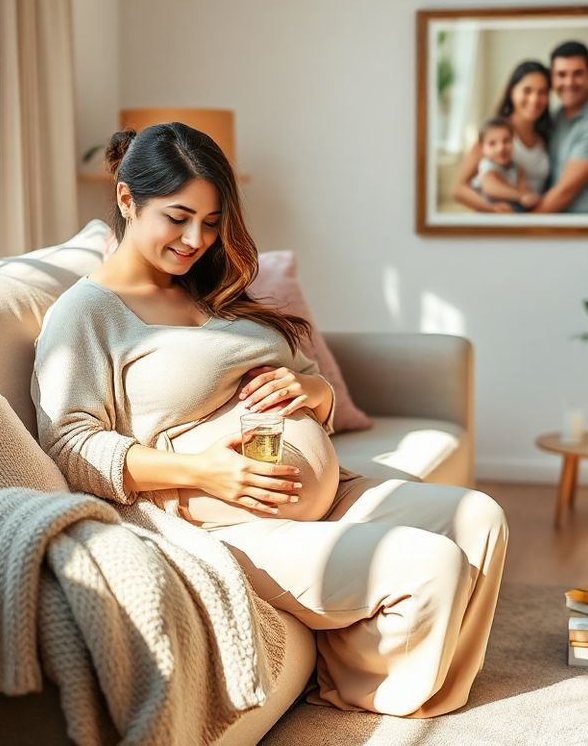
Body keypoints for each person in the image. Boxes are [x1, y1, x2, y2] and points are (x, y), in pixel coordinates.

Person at [32, 122, 508, 718]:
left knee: (480, 518)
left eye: (211, 222)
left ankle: (418, 679)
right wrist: (203, 472)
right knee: (432, 565)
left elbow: (313, 381)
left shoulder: (216, 289)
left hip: (327, 495)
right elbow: (69, 445)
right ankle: (370, 691)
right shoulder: (85, 314)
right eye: (177, 218)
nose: (195, 240)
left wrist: (315, 392)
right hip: (224, 524)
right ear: (127, 200)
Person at [452, 60, 551, 212]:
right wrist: (492, 210)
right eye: (527, 90)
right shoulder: (494, 136)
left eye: (542, 92)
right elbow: (457, 190)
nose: (535, 99)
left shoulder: (545, 136)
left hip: (531, 223)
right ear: (512, 92)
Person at [534, 40, 588, 213]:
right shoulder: (558, 115)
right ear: (552, 78)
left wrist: (522, 230)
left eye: (578, 73)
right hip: (559, 224)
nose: (569, 83)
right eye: (561, 74)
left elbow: (565, 192)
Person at [469, 117, 539, 212]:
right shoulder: (487, 165)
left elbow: (525, 189)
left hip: (512, 214)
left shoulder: (517, 168)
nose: (501, 148)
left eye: (506, 141)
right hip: (487, 217)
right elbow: (491, 188)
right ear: (482, 148)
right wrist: (521, 196)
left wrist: (530, 196)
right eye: (492, 143)